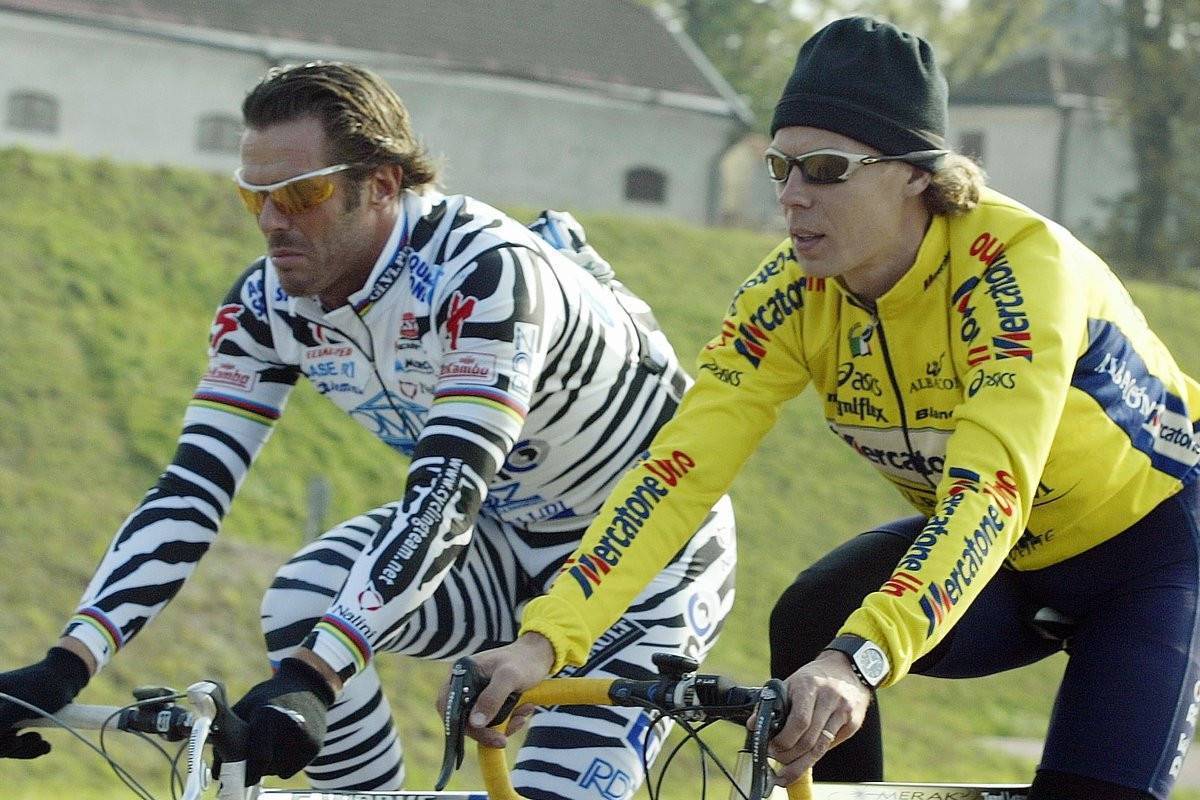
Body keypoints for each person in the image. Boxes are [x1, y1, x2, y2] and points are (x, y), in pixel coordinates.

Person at [454, 16, 1200, 800]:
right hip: (1006, 567)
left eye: (826, 169)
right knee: (814, 613)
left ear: (915, 173)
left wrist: (860, 661)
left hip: (1147, 555)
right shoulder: (788, 295)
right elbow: (676, 474)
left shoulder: (1018, 270)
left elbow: (988, 494)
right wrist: (547, 639)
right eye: (780, 166)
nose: (791, 196)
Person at [0, 62, 736, 797]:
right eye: (253, 195)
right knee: (303, 599)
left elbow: (446, 494)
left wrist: (313, 677)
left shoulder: (484, 272)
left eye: (301, 193)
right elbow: (192, 488)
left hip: (638, 557)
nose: (272, 220)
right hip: (501, 544)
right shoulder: (267, 304)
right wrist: (65, 665)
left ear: (382, 183)